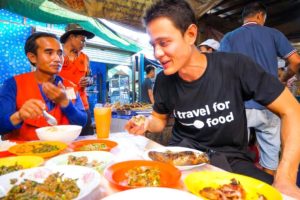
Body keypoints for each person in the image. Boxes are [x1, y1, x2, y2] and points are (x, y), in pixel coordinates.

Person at [125, 0, 300, 198]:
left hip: (232, 163)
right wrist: (146, 123)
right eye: (153, 45)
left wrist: (285, 177)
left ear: (190, 34)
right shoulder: (164, 80)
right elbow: (160, 119)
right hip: (180, 160)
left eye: (164, 43)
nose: (157, 54)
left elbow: (292, 110)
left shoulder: (235, 66)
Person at [219, 2, 300, 175]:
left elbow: (220, 71)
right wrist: (282, 78)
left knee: (235, 155)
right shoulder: (274, 34)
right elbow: (296, 62)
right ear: (259, 16)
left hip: (240, 105)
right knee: (270, 155)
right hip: (270, 103)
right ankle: (267, 188)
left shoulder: (229, 38)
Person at [0, 32, 87, 141]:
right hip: (24, 154)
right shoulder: (13, 84)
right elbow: (1, 126)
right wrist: (19, 115)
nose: (57, 59)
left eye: (60, 53)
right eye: (49, 53)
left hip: (61, 153)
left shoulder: (70, 87)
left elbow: (82, 122)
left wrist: (65, 103)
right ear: (32, 57)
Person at [59, 23, 95, 135]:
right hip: (61, 107)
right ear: (71, 37)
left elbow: (90, 77)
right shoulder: (56, 56)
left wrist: (89, 81)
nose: (84, 44)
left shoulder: (85, 57)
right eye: (82, 40)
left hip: (83, 106)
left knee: (86, 139)